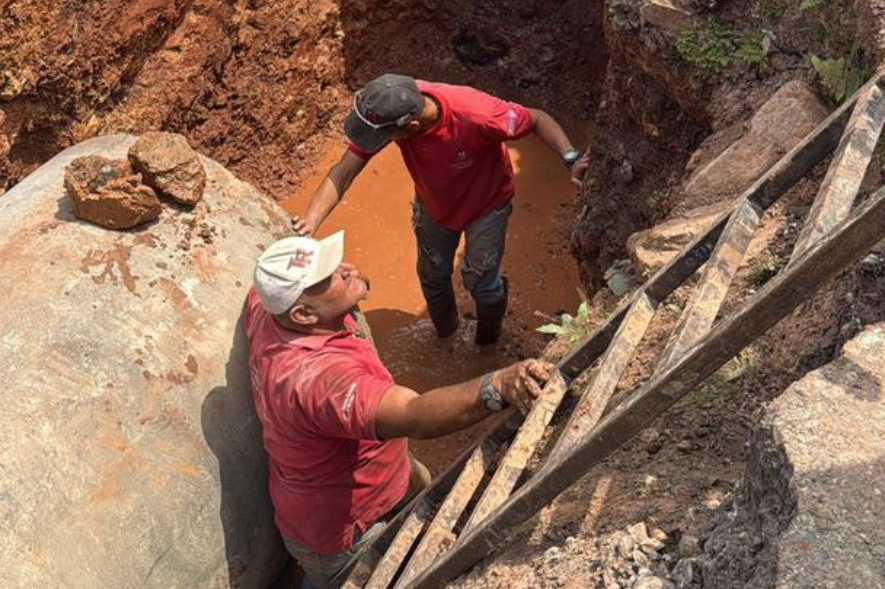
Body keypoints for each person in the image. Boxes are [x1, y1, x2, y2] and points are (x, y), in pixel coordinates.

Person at [244, 231, 555, 589]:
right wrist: (496, 385)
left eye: (334, 262)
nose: (346, 269)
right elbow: (413, 414)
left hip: (383, 473)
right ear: (303, 314)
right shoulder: (320, 381)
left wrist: (349, 284)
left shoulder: (269, 307)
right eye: (330, 276)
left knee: (422, 489)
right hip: (345, 529)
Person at [291, 73, 589, 345]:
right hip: (434, 203)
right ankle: (446, 336)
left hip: (486, 206)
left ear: (412, 127)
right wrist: (309, 223)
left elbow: (535, 119)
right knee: (432, 275)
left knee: (482, 283)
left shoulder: (478, 114)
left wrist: (570, 157)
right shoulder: (391, 103)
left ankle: (488, 344)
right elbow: (344, 171)